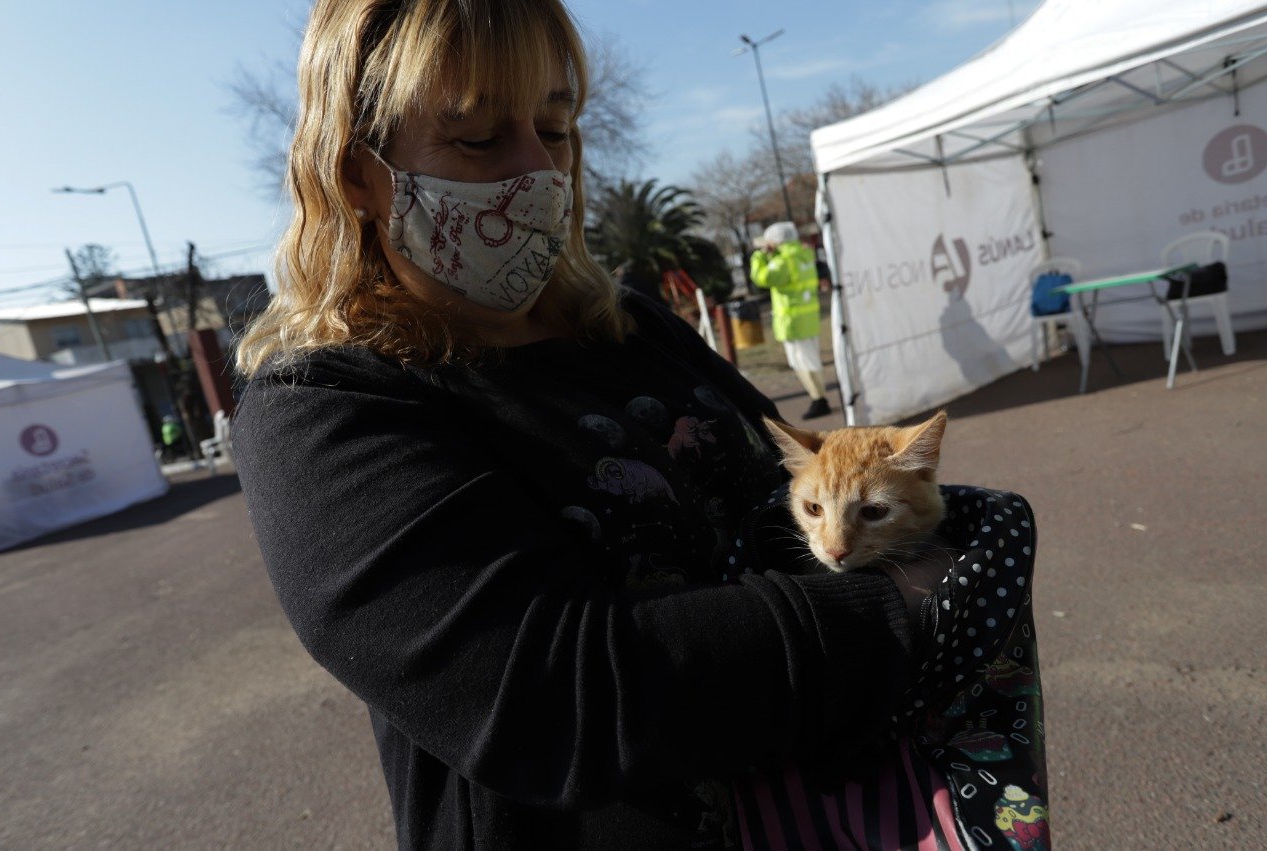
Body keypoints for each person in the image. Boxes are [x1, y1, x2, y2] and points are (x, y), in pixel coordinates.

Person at [231, 2, 948, 848]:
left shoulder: (632, 324)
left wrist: (930, 514)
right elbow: (551, 696)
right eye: (477, 138)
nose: (540, 171)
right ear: (355, 171)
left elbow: (797, 483)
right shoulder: (323, 406)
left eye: (558, 127)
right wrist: (906, 603)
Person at [749, 222, 831, 420]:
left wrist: (758, 256)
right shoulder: (804, 255)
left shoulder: (783, 261)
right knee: (810, 358)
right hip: (808, 317)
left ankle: (819, 399)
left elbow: (762, 278)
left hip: (792, 320)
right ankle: (819, 397)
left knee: (802, 361)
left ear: (776, 242)